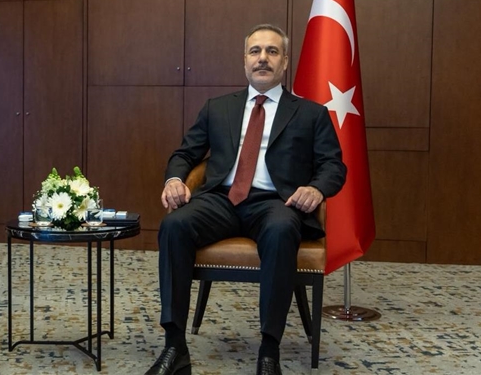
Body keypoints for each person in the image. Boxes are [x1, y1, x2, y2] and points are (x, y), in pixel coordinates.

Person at [145, 24, 346, 375]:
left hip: (275, 203)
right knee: (174, 225)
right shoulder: (218, 108)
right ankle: (174, 346)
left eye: (272, 51)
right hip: (221, 200)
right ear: (245, 61)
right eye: (255, 51)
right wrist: (175, 179)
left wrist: (316, 189)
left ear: (285, 62)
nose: (262, 58)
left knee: (282, 231)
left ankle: (269, 351)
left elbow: (333, 166)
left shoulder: (311, 113)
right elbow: (185, 154)